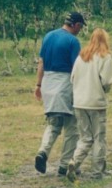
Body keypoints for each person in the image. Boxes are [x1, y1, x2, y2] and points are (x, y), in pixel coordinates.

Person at [33, 12, 86, 176]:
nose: (80, 30)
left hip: (48, 82)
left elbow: (41, 62)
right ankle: (64, 165)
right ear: (76, 25)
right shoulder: (73, 41)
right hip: (65, 85)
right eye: (81, 27)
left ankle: (43, 152)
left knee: (53, 123)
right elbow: (77, 68)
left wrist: (38, 84)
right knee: (72, 126)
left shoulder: (48, 36)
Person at [66, 28, 112, 182]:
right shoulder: (105, 57)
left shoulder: (81, 57)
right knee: (99, 138)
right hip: (96, 103)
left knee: (85, 138)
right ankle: (97, 172)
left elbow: (72, 78)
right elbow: (107, 82)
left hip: (79, 103)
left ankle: (74, 161)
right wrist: (104, 90)